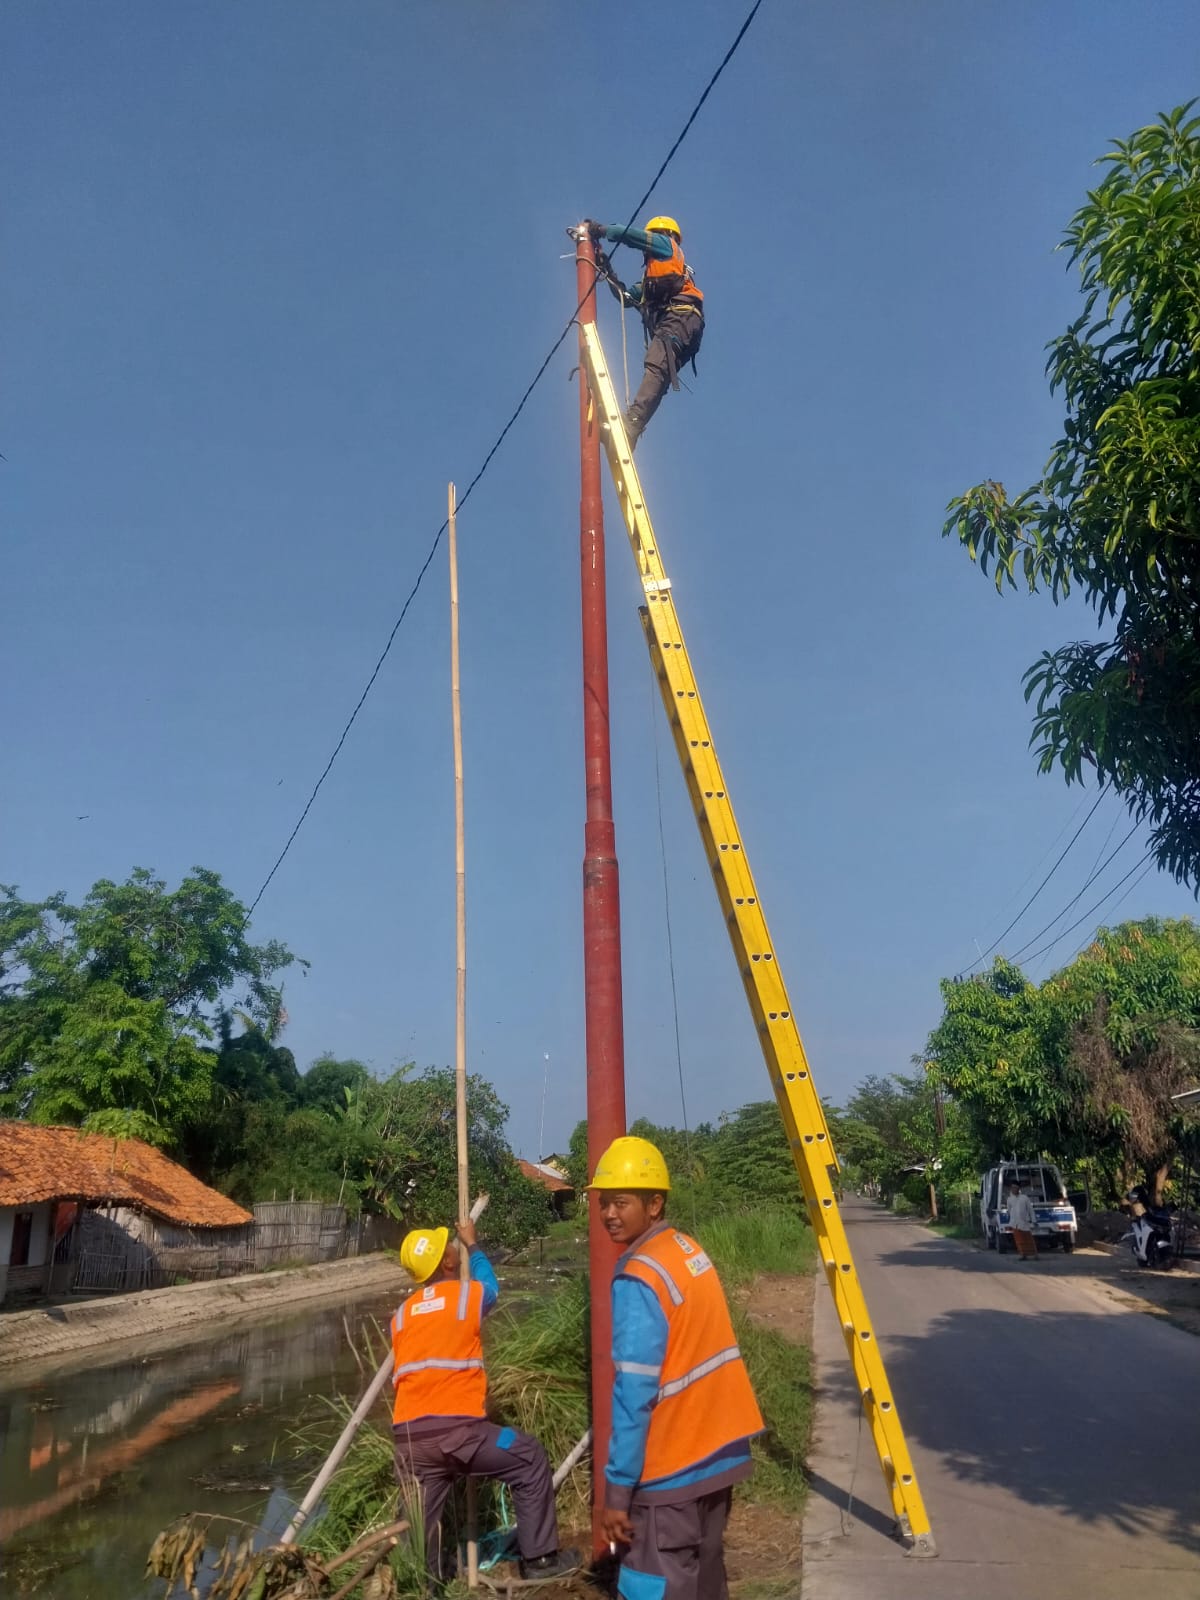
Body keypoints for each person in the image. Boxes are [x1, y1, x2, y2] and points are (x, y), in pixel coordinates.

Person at [592, 1136, 764, 1600]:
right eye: (604, 1202)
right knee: (706, 1581)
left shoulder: (639, 1276)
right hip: (719, 1453)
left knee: (656, 1585)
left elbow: (634, 1393)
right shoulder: (688, 1251)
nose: (609, 1213)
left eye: (621, 1202)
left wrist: (616, 1493)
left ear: (654, 1204)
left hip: (672, 1466)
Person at [391, 1216, 579, 1581]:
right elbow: (491, 1286)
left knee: (420, 1517)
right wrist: (474, 1245)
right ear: (447, 1262)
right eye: (450, 1248)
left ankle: (424, 1580)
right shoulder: (465, 1295)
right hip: (460, 1437)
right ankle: (539, 1561)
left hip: (411, 1444)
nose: (453, 1250)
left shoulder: (400, 1316)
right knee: (528, 1457)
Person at [586, 216, 704, 448]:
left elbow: (629, 235)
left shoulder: (665, 244)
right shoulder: (653, 279)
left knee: (656, 366)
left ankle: (632, 423)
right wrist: (606, 269)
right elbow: (626, 297)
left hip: (680, 318)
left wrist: (599, 230)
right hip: (684, 325)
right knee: (658, 375)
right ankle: (632, 428)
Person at [1006, 1180, 1038, 1259]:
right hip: (1015, 1223)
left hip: (1024, 1222)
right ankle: (1023, 1255)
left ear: (1018, 1189)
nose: (1013, 1189)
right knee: (1019, 1240)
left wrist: (1034, 1220)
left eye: (1015, 1188)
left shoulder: (1024, 1198)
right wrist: (1010, 1221)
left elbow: (1030, 1209)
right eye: (1012, 1188)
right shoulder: (1009, 1199)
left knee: (1028, 1239)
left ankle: (1034, 1255)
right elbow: (1009, 1210)